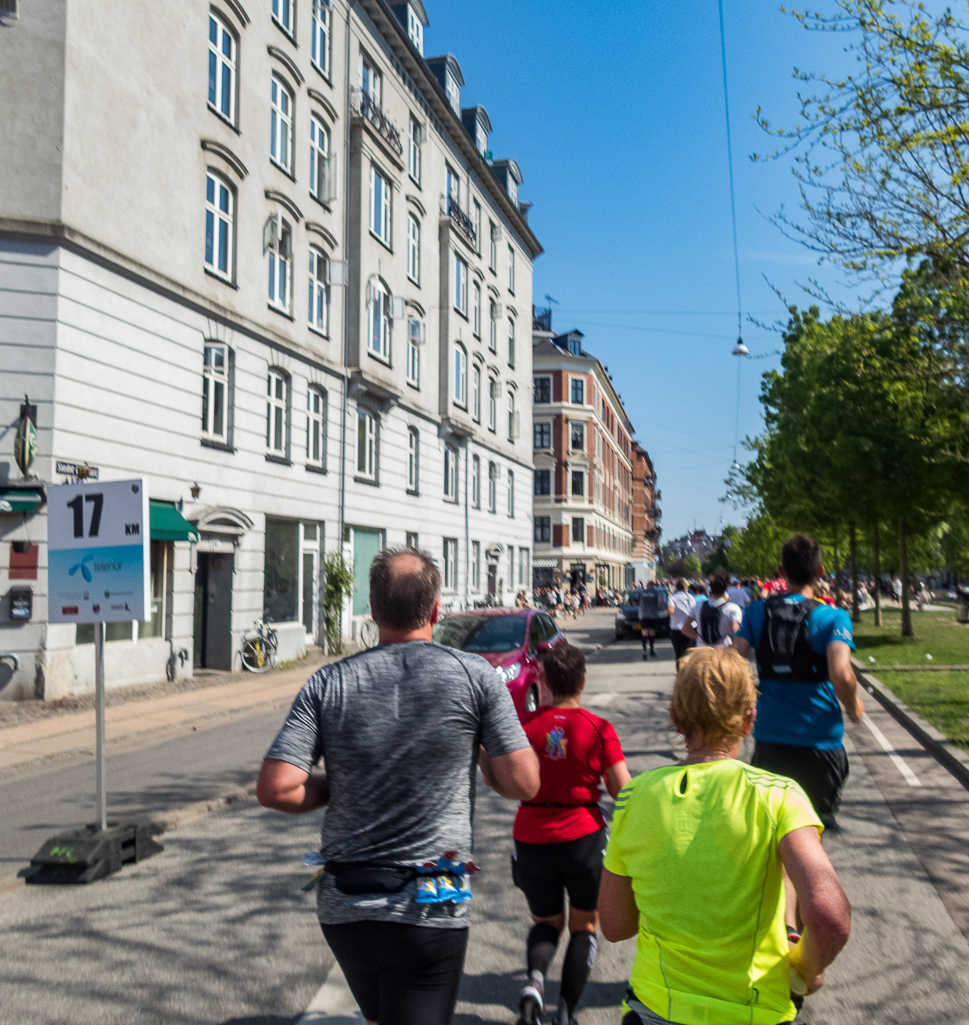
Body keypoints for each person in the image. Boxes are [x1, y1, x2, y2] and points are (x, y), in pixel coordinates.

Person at [256, 546, 540, 1025]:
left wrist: (338, 786)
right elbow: (525, 783)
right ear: (435, 610)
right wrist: (480, 754)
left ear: (372, 610)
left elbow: (277, 788)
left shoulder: (328, 682)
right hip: (432, 899)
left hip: (346, 902)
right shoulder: (474, 676)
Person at [599, 646, 852, 1025]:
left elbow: (616, 925)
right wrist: (804, 967)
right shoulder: (778, 795)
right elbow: (830, 916)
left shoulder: (635, 796)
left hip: (655, 1009)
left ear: (675, 718)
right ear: (750, 719)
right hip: (754, 1011)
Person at [500, 645, 631, 1025]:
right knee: (584, 923)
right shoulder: (598, 728)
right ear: (583, 681)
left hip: (532, 835)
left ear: (545, 683)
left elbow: (507, 778)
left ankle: (535, 983)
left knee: (545, 921)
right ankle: (567, 1012)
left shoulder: (526, 726)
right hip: (582, 837)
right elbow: (623, 791)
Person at [732, 535, 865, 830]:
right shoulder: (833, 617)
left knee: (771, 836)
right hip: (820, 741)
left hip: (770, 740)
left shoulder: (757, 612)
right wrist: (854, 708)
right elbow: (842, 674)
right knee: (811, 838)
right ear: (820, 572)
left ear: (782, 572)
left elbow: (732, 662)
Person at [681, 571, 742, 649]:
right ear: (726, 589)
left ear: (710, 588)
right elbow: (735, 631)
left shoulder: (698, 606)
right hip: (723, 650)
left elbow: (685, 629)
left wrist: (698, 637)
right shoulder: (733, 608)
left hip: (702, 650)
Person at [668, 578, 695, 664]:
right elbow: (694, 612)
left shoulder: (672, 597)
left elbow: (671, 611)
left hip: (676, 629)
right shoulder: (690, 597)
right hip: (689, 628)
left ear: (676, 587)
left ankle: (680, 672)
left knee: (678, 654)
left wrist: (665, 611)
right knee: (688, 654)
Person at [638, 581, 666, 659]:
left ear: (647, 586)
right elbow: (660, 602)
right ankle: (652, 650)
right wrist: (658, 608)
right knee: (652, 632)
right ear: (653, 585)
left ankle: (644, 650)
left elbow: (637, 602)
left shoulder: (642, 592)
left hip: (643, 615)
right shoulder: (656, 592)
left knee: (644, 633)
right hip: (653, 615)